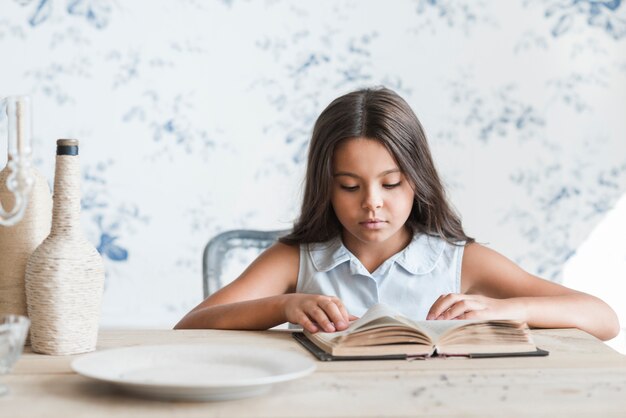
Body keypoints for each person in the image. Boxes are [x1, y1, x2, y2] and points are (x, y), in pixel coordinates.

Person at [175, 87, 619, 341]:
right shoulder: (297, 259)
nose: (372, 202)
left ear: (417, 180)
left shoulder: (459, 261)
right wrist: (284, 305)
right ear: (324, 187)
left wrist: (501, 308)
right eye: (349, 186)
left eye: (390, 184)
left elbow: (603, 318)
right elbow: (188, 329)